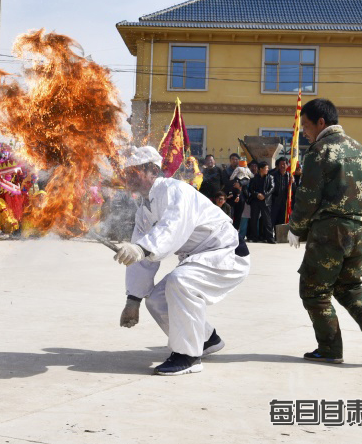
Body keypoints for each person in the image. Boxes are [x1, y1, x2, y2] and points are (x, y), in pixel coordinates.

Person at [115, 145, 250, 376]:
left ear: (152, 171)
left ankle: (188, 356)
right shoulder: (143, 211)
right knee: (156, 300)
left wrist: (142, 247)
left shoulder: (174, 190)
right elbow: (143, 261)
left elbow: (173, 226)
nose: (127, 177)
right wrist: (133, 300)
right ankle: (207, 340)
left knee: (181, 281)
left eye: (133, 171)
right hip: (200, 258)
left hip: (226, 252)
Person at [287, 98, 362, 364]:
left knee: (315, 291)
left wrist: (296, 228)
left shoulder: (320, 150)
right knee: (348, 286)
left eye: (306, 126)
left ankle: (330, 349)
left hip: (330, 231)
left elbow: (308, 195)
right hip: (360, 230)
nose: (305, 132)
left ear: (321, 122)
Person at [248, 161, 275, 243]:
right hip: (255, 201)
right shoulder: (254, 178)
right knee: (254, 219)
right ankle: (254, 237)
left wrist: (264, 195)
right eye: (266, 168)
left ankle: (270, 238)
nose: (267, 169)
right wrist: (257, 194)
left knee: (267, 220)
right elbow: (251, 189)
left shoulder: (270, 177)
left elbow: (272, 188)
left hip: (266, 201)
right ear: (261, 169)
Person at [270, 157, 291, 226]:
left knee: (282, 222)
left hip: (285, 203)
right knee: (272, 221)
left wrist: (292, 182)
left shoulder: (290, 176)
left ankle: (279, 236)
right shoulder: (273, 175)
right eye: (281, 164)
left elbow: (294, 190)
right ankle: (270, 236)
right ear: (278, 165)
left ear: (287, 165)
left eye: (284, 164)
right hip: (274, 202)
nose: (282, 166)